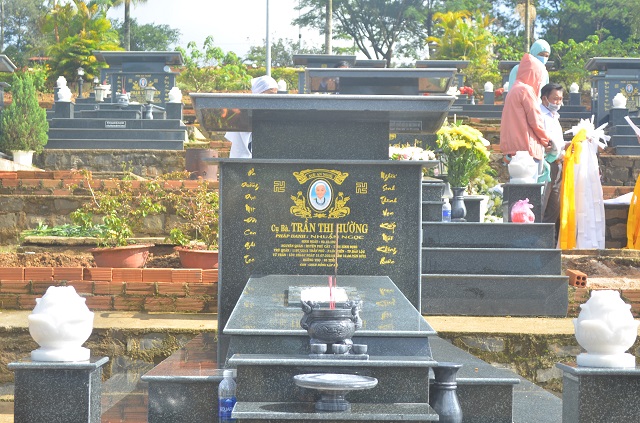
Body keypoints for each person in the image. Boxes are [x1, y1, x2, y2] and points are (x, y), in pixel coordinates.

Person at [499, 53, 551, 174]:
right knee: (530, 185)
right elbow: (536, 120)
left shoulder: (514, 89)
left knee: (517, 184)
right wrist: (546, 141)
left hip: (513, 149)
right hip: (527, 149)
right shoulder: (526, 90)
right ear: (534, 75)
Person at [225, 75, 278, 158]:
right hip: (243, 158)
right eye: (270, 94)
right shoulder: (245, 111)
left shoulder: (271, 112)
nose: (273, 99)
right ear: (259, 93)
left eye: (275, 95)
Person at [539, 83, 565, 237]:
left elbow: (558, 143)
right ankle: (535, 243)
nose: (558, 102)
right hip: (546, 165)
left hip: (558, 165)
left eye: (560, 99)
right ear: (544, 98)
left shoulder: (555, 116)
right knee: (541, 205)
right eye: (555, 99)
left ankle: (547, 242)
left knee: (554, 208)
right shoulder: (539, 116)